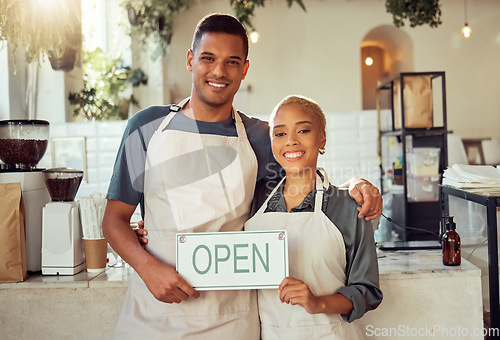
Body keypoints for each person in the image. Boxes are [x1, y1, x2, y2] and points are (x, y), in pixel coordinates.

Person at [103, 13, 382, 339]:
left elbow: (304, 172)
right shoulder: (146, 127)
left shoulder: (262, 137)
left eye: (232, 62)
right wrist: (146, 267)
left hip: (231, 321)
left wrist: (355, 185)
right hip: (152, 313)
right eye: (208, 58)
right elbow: (114, 220)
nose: (219, 71)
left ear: (245, 69)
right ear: (191, 60)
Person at [244, 95, 382, 339]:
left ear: (322, 138)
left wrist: (317, 303)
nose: (291, 142)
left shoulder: (350, 206)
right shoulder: (253, 201)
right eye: (279, 134)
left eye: (303, 130)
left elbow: (366, 291)